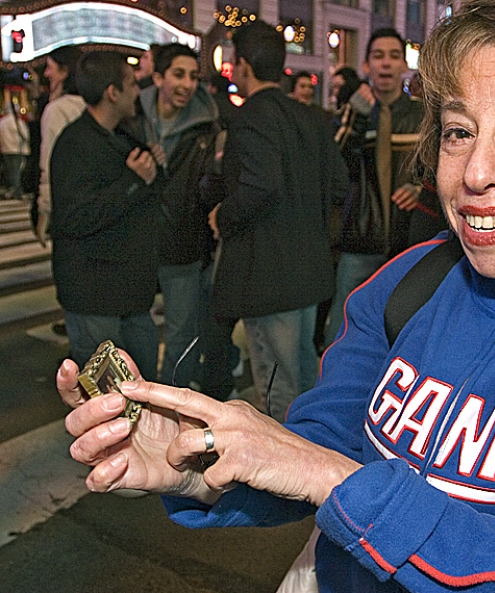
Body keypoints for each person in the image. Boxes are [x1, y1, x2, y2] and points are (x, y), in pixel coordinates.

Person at [59, 2, 495, 593]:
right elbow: (316, 445)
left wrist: (334, 479)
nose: (475, 172)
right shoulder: (405, 282)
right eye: (457, 131)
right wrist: (195, 463)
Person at [202, 20, 347, 420]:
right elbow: (339, 188)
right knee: (303, 372)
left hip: (267, 274)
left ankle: (287, 475)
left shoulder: (250, 117)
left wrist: (222, 214)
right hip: (310, 269)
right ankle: (312, 450)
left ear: (243, 64)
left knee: (277, 382)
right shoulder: (311, 118)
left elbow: (259, 186)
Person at [324, 28, 445, 348]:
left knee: (404, 328)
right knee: (342, 328)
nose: (386, 64)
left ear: (404, 65)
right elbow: (335, 168)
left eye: (394, 56)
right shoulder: (353, 114)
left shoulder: (422, 115)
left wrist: (421, 188)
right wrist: (355, 118)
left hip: (409, 239)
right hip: (362, 237)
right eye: (378, 56)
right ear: (366, 66)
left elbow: (440, 166)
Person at [50, 51, 163, 381]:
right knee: (106, 394)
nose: (137, 91)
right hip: (95, 293)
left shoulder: (125, 135)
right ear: (112, 92)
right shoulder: (75, 143)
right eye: (130, 84)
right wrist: (133, 180)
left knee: (140, 386)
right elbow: (76, 217)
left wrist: (154, 168)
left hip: (131, 292)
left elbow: (149, 196)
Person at [121, 43, 221, 387]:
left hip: (184, 241)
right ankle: (139, 393)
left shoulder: (207, 125)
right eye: (178, 74)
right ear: (158, 76)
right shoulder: (129, 115)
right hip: (135, 241)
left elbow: (208, 186)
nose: (187, 84)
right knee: (135, 326)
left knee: (182, 332)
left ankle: (170, 398)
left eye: (193, 76)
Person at [35, 45, 85, 246]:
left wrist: (44, 210)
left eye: (50, 67)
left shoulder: (57, 110)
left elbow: (49, 163)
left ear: (65, 72)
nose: (47, 73)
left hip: (67, 204)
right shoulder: (95, 105)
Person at [0, 101, 30, 200]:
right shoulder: (17, 122)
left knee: (11, 172)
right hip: (17, 150)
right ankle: (18, 192)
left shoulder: (2, 122)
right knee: (17, 172)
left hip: (6, 149)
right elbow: (25, 135)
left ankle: (12, 189)